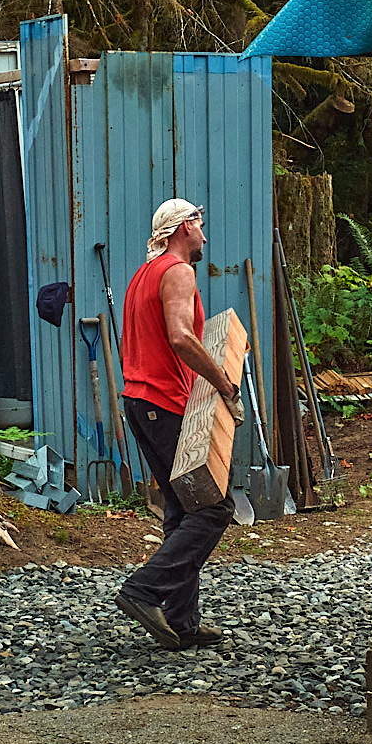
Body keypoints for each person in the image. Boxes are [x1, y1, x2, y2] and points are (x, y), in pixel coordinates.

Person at [115, 198, 245, 650]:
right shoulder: (178, 272)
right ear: (184, 227)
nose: (205, 235)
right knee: (213, 508)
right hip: (162, 404)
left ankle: (182, 621)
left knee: (184, 510)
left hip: (139, 402)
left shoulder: (140, 276)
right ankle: (144, 589)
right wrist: (224, 385)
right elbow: (180, 336)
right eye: (200, 225)